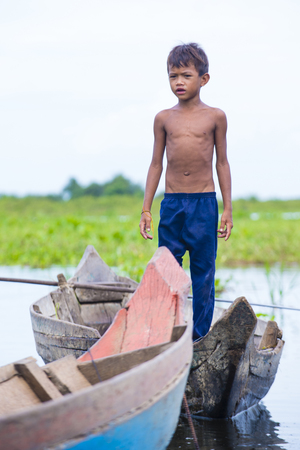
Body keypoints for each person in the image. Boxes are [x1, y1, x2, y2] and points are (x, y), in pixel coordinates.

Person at [139, 43, 233, 341]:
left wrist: (227, 208)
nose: (178, 82)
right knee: (168, 272)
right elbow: (156, 164)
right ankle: (168, 334)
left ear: (203, 79)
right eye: (173, 76)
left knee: (203, 275)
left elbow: (222, 162)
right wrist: (146, 209)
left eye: (186, 75)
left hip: (204, 204)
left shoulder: (215, 117)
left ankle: (200, 336)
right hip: (172, 205)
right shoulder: (164, 119)